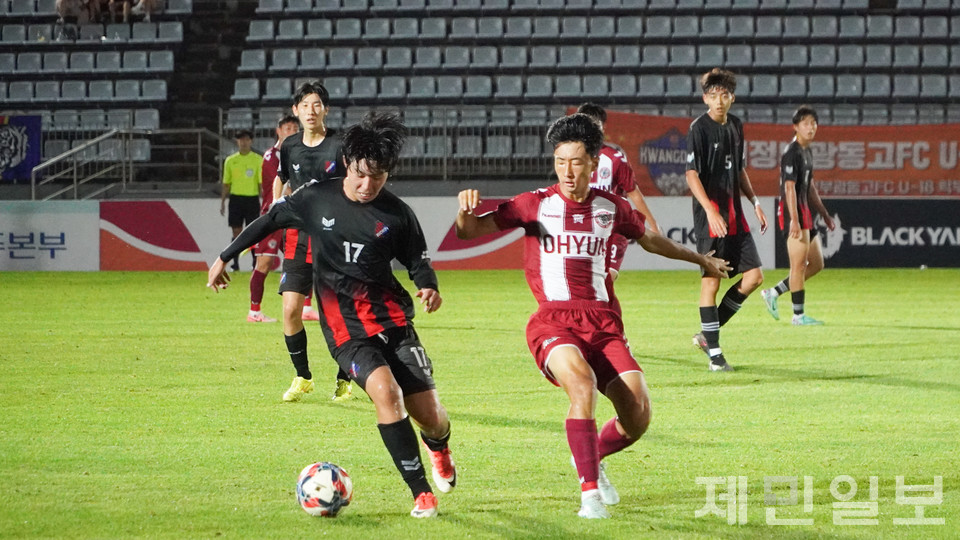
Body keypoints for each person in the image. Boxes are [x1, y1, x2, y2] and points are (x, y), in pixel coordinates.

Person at [455, 113, 731, 519]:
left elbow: (651, 239)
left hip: (603, 324)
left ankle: (589, 455)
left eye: (576, 161)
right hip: (553, 322)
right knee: (581, 386)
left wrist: (699, 259)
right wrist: (464, 213)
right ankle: (589, 496)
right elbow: (469, 232)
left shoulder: (611, 207)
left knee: (638, 414)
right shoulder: (535, 204)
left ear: (593, 163)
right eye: (560, 161)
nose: (567, 170)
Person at [208, 112, 457, 519]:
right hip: (345, 331)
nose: (367, 185)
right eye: (360, 175)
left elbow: (417, 260)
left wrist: (428, 284)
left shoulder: (396, 214)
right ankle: (420, 492)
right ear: (347, 165)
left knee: (431, 416)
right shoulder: (314, 198)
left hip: (393, 323)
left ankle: (439, 447)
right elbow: (267, 220)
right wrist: (224, 256)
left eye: (377, 177)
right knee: (386, 394)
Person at [271, 81, 354, 403]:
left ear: (326, 110)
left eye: (317, 104)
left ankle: (345, 376)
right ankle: (302, 376)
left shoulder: (340, 145)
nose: (311, 110)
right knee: (290, 309)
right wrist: (279, 205)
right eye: (305, 105)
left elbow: (354, 183)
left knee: (338, 314)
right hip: (298, 237)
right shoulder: (289, 145)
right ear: (296, 110)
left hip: (334, 240)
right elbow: (281, 176)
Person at [686, 68, 768, 372]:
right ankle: (715, 355)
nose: (718, 100)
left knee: (754, 278)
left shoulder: (736, 125)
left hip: (737, 216)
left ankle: (707, 335)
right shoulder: (698, 129)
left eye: (724, 94)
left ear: (731, 98)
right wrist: (709, 209)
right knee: (712, 281)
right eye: (712, 95)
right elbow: (691, 174)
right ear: (705, 98)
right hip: (712, 219)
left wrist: (756, 202)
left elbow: (740, 168)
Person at [760, 105, 836, 326]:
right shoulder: (791, 153)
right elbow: (789, 188)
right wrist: (794, 219)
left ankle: (773, 292)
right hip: (793, 211)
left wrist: (824, 214)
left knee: (817, 264)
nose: (810, 127)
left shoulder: (807, 151)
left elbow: (809, 186)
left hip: (805, 211)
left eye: (813, 123)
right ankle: (798, 316)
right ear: (796, 127)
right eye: (805, 123)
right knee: (799, 266)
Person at [576, 103, 661, 281]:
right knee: (583, 283)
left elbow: (634, 193)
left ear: (603, 127)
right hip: (583, 229)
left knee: (606, 279)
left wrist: (653, 225)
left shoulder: (615, 158)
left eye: (595, 124)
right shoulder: (572, 158)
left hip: (613, 228)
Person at [247, 114, 300, 324]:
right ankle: (254, 312)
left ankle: (304, 307)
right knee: (264, 263)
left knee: (302, 260)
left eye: (294, 128)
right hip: (273, 217)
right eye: (287, 128)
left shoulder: (296, 154)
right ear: (278, 131)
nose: (291, 131)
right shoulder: (271, 156)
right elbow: (284, 185)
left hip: (292, 218)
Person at [220, 129, 263, 272]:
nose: (243, 142)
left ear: (251, 141)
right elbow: (226, 183)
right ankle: (235, 264)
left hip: (252, 199)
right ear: (237, 141)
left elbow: (260, 183)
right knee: (236, 233)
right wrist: (222, 202)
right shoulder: (230, 161)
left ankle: (254, 263)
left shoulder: (258, 159)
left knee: (253, 233)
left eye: (246, 139)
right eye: (240, 139)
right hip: (236, 199)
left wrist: (264, 201)